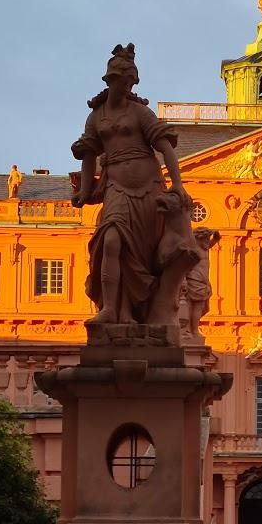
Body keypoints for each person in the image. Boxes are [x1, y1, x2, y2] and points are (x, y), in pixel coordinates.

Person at [71, 43, 201, 327]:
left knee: (139, 256)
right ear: (111, 80)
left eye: (132, 82)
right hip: (115, 187)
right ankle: (109, 309)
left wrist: (177, 184)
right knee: (111, 241)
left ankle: (128, 312)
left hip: (148, 190)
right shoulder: (96, 117)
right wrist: (84, 190)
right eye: (124, 81)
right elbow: (88, 155)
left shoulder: (140, 112)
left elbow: (165, 147)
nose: (128, 87)